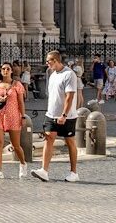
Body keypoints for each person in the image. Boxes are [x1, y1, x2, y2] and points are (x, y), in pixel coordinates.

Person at [30, 50, 82, 183]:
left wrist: (64, 114)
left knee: (70, 142)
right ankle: (44, 170)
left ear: (56, 60)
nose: (47, 64)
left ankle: (74, 172)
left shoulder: (69, 74)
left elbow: (70, 96)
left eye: (49, 61)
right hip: (51, 114)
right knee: (48, 139)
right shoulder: (52, 74)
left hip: (67, 116)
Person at [0, 62, 28, 179]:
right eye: (3, 69)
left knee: (16, 145)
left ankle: (23, 163)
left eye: (8, 69)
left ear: (11, 71)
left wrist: (23, 116)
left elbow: (21, 102)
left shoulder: (17, 85)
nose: (5, 71)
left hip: (13, 116)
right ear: (1, 71)